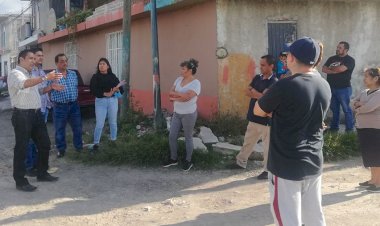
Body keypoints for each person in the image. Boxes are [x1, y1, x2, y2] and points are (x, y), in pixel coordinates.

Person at [254, 37, 330, 225]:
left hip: (286, 163)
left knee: (288, 218)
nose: (285, 57)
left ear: (292, 58)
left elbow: (258, 110)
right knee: (314, 216)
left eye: (287, 54)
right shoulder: (324, 85)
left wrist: (275, 110)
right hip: (313, 159)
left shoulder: (285, 85)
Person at [8, 49, 61, 192]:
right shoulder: (15, 74)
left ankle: (42, 173)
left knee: (45, 144)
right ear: (21, 60)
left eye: (34, 58)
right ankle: (20, 181)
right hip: (22, 115)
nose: (33, 61)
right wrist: (45, 78)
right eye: (30, 58)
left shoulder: (32, 74)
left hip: (36, 114)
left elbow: (36, 92)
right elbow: (24, 84)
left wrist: (51, 87)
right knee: (22, 148)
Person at [232, 55, 277, 180]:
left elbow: (265, 97)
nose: (260, 67)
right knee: (248, 142)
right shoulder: (257, 77)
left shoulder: (274, 82)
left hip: (266, 120)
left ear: (271, 66)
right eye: (260, 64)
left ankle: (267, 170)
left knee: (267, 147)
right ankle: (240, 163)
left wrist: (255, 93)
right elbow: (247, 91)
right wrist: (259, 94)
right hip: (253, 117)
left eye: (263, 65)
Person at [25, 48, 63, 177]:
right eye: (37, 55)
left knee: (39, 140)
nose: (40, 58)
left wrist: (52, 87)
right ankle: (30, 166)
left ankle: (37, 165)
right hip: (33, 109)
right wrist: (49, 84)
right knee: (31, 140)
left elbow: (42, 90)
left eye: (42, 55)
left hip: (44, 108)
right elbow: (34, 90)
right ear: (31, 57)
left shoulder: (41, 70)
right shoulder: (30, 72)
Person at [163, 58, 201, 171]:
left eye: (183, 68)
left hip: (189, 114)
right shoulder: (178, 79)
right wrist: (181, 96)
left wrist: (177, 96)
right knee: (172, 136)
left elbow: (187, 98)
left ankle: (188, 160)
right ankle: (173, 159)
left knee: (188, 137)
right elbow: (171, 94)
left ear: (190, 70)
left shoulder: (196, 83)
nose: (181, 71)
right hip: (177, 113)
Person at [49, 53, 83, 158]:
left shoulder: (73, 74)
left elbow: (76, 87)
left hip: (74, 105)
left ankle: (78, 147)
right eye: (61, 61)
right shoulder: (52, 75)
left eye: (65, 61)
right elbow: (47, 90)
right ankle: (61, 149)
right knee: (59, 129)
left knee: (77, 127)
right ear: (56, 63)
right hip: (60, 106)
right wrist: (53, 87)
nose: (64, 63)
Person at [353, 68, 380, 193]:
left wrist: (359, 107)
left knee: (376, 155)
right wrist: (358, 105)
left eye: (367, 76)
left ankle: (378, 183)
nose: (364, 79)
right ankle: (373, 180)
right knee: (369, 156)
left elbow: (369, 107)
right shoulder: (364, 92)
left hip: (375, 129)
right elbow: (352, 102)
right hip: (363, 127)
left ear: (375, 78)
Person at [90, 58, 125, 150]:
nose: (101, 65)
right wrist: (106, 94)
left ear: (108, 66)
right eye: (100, 64)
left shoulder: (113, 77)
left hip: (112, 101)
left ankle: (113, 140)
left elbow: (121, 92)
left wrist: (117, 91)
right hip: (100, 102)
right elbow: (93, 90)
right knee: (99, 123)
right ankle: (96, 143)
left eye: (103, 64)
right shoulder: (95, 77)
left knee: (113, 122)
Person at [322, 41, 355, 132]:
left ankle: (349, 130)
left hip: (344, 89)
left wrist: (331, 69)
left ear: (346, 50)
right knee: (334, 109)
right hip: (331, 88)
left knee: (346, 109)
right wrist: (334, 71)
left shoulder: (350, 60)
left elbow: (341, 69)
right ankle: (334, 128)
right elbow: (323, 69)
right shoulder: (331, 58)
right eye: (337, 47)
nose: (337, 49)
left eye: (340, 48)